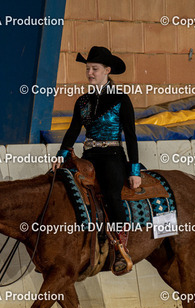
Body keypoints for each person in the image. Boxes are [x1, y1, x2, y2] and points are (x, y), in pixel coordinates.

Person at [51, 46, 141, 274]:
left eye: (95, 69)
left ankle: (121, 247)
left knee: (111, 193)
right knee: (67, 186)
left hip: (112, 156)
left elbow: (131, 137)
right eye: (88, 69)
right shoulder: (82, 101)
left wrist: (134, 171)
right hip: (89, 156)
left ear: (107, 70)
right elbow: (73, 131)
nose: (90, 73)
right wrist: (61, 155)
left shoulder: (121, 99)